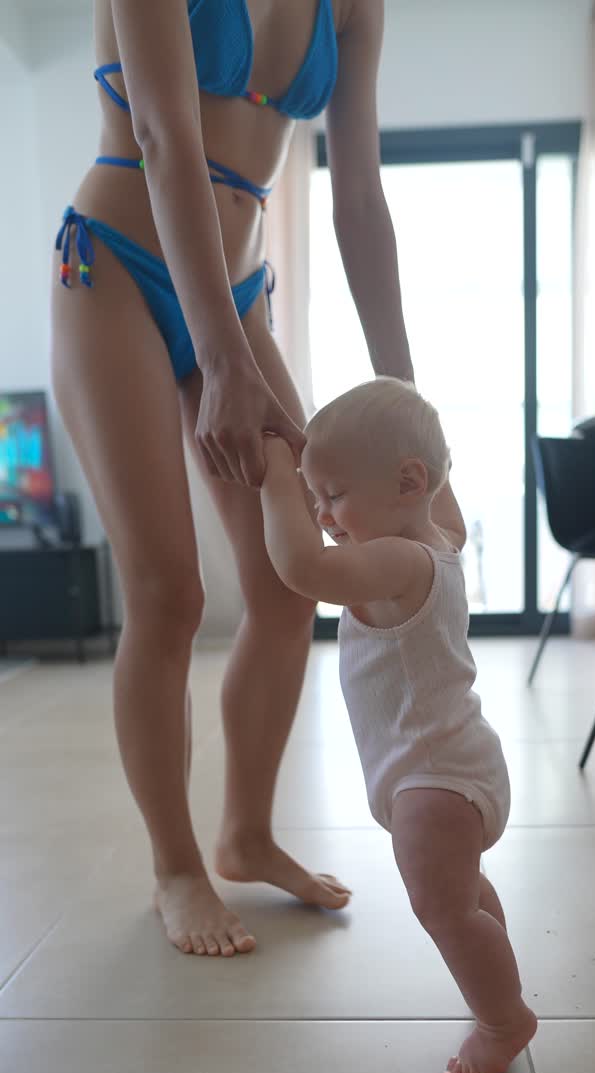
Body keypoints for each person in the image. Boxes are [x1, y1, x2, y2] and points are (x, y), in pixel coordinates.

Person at [51, 1, 463, 958]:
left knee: (289, 586)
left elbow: (357, 198)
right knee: (169, 591)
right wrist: (222, 361)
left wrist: (419, 429)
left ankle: (245, 832)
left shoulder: (355, 9)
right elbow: (161, 135)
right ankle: (176, 867)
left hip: (238, 291)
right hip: (115, 264)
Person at [260, 378, 538, 1073]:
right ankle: (493, 984)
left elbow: (303, 568)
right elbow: (436, 479)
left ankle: (504, 1019)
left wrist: (272, 478)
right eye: (314, 496)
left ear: (409, 483)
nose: (321, 514)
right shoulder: (442, 537)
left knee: (441, 907)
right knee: (462, 896)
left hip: (433, 779)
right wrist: (337, 461)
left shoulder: (398, 561)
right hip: (450, 763)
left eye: (332, 494)